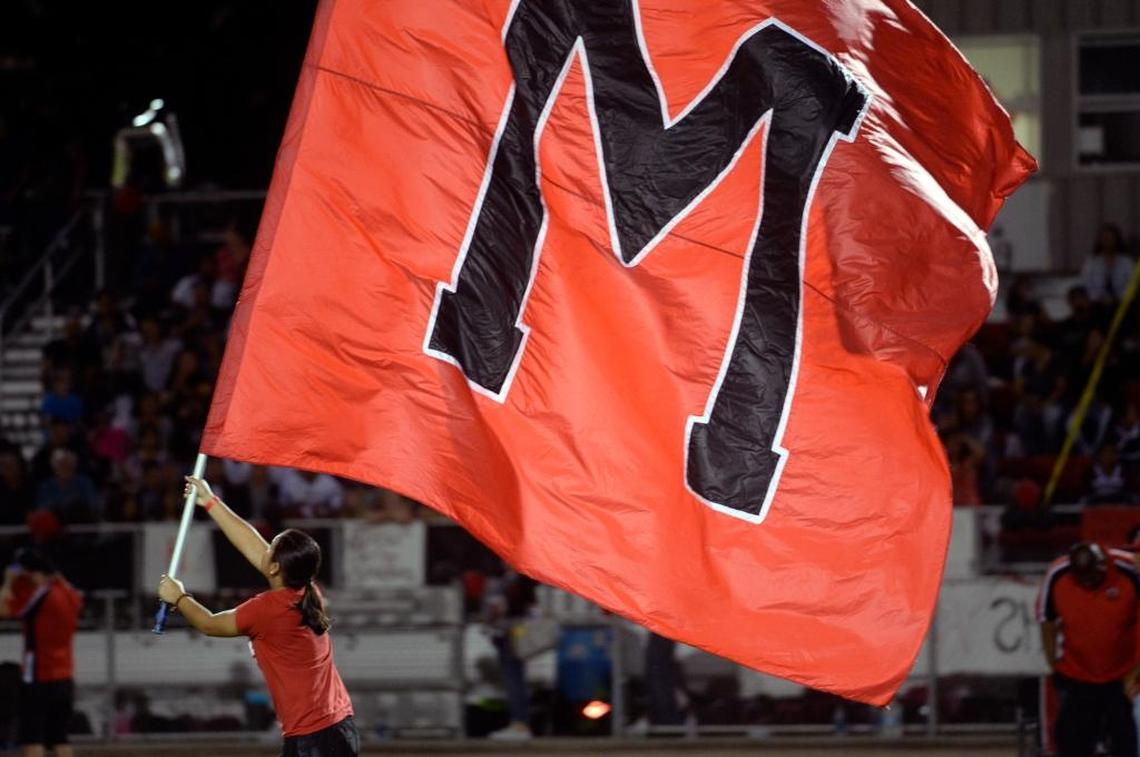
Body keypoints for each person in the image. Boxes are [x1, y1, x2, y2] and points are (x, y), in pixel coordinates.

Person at [156, 475, 357, 756]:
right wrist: (211, 502)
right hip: (338, 727)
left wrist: (178, 596)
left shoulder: (268, 609)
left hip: (312, 739)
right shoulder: (310, 591)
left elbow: (210, 624)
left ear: (275, 568)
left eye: (271, 546)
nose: (265, 547)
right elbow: (255, 546)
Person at [1037, 542, 1140, 757]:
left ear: (1103, 567)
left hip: (1123, 676)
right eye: (1081, 579)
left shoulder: (1130, 570)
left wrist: (1136, 671)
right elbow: (1046, 620)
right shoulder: (1058, 574)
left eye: (1091, 577)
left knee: (1126, 741)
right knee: (1071, 740)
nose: (1086, 583)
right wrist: (1052, 660)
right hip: (1077, 674)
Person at [0, 548, 83, 757]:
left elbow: (4, 610)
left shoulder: (39, 596)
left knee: (32, 737)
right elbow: (71, 591)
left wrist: (8, 583)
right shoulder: (68, 594)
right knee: (59, 738)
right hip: (65, 675)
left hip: (38, 674)